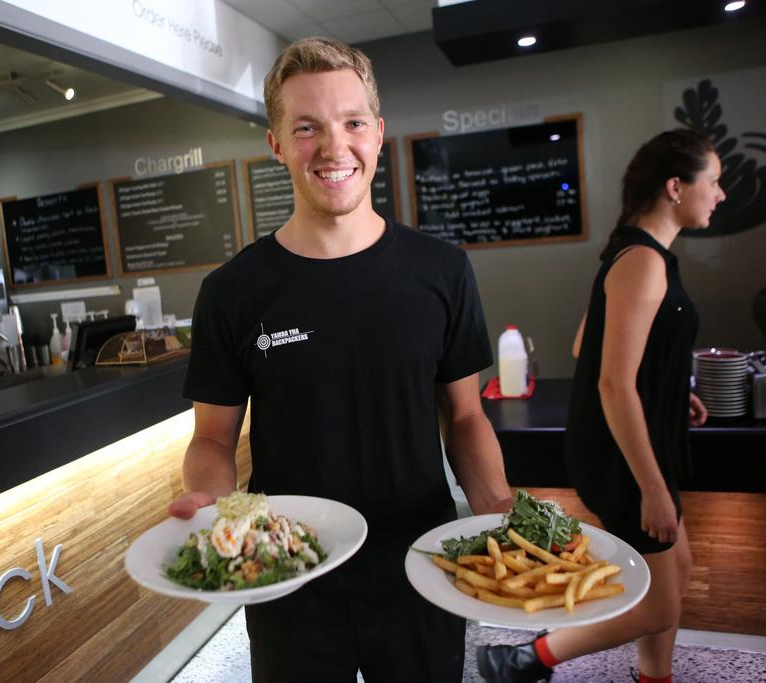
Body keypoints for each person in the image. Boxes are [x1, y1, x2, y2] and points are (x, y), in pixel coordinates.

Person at [168, 37, 514, 682]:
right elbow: (213, 438)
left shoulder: (442, 272)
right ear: (276, 144)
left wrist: (497, 505)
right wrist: (209, 502)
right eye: (307, 129)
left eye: (352, 122)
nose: (334, 147)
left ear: (378, 134)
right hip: (289, 581)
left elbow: (465, 418)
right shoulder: (232, 292)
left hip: (421, 570)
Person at [477, 129, 724, 683]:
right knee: (659, 602)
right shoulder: (643, 261)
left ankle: (652, 677)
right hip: (624, 458)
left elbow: (585, 345)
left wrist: (667, 389)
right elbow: (612, 383)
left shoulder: (642, 252)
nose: (721, 193)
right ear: (676, 187)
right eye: (715, 181)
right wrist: (654, 490)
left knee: (674, 573)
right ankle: (520, 659)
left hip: (634, 445)